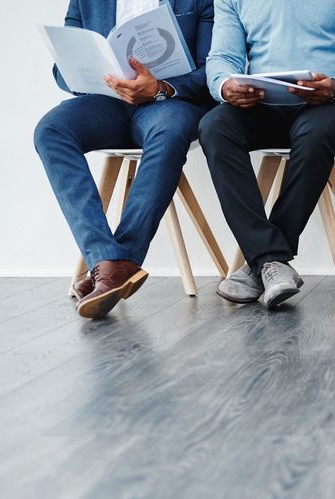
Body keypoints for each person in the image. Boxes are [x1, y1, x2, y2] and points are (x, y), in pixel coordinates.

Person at [199, 0, 335, 309]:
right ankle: (272, 260)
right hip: (263, 105)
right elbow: (223, 57)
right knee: (214, 126)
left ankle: (262, 261)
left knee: (313, 133)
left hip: (330, 104)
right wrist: (224, 85)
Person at [35, 0, 214, 319]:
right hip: (107, 101)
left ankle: (117, 267)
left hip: (167, 101)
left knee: (170, 133)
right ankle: (107, 260)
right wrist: (93, 77)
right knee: (51, 130)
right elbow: (62, 68)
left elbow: (212, 68)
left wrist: (158, 88)